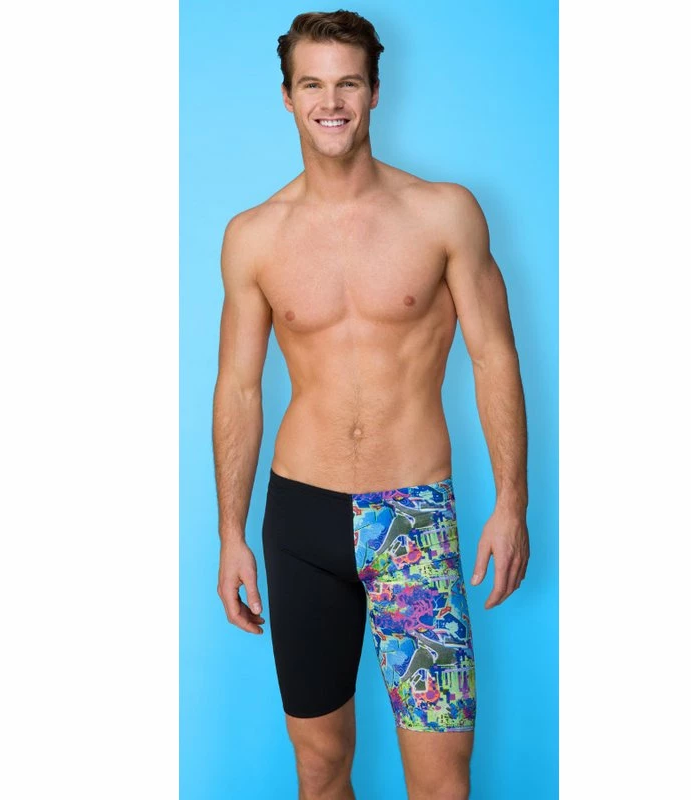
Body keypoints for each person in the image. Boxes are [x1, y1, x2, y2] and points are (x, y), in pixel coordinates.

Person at [212, 10, 529, 799]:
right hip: (300, 518)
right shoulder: (253, 236)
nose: (331, 101)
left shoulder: (443, 213)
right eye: (313, 84)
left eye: (348, 83)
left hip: (412, 518)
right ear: (288, 97)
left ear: (375, 92)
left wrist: (511, 503)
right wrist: (230, 533)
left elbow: (493, 356)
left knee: (442, 781)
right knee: (320, 769)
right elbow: (239, 388)